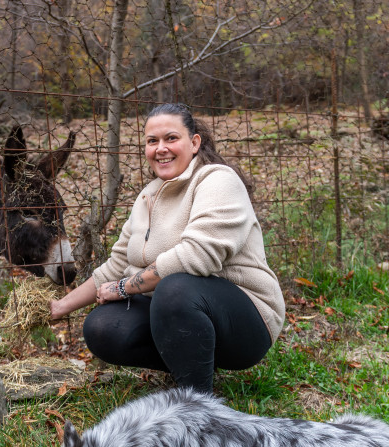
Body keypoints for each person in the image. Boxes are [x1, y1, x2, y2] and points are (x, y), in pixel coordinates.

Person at [50, 103, 285, 392]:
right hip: (181, 313)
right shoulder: (147, 197)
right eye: (152, 141)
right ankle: (192, 365)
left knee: (174, 290)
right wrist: (61, 306)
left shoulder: (217, 180)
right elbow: (116, 264)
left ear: (194, 142)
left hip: (247, 321)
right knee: (102, 326)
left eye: (171, 138)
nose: (161, 148)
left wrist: (124, 287)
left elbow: (196, 257)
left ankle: (198, 407)